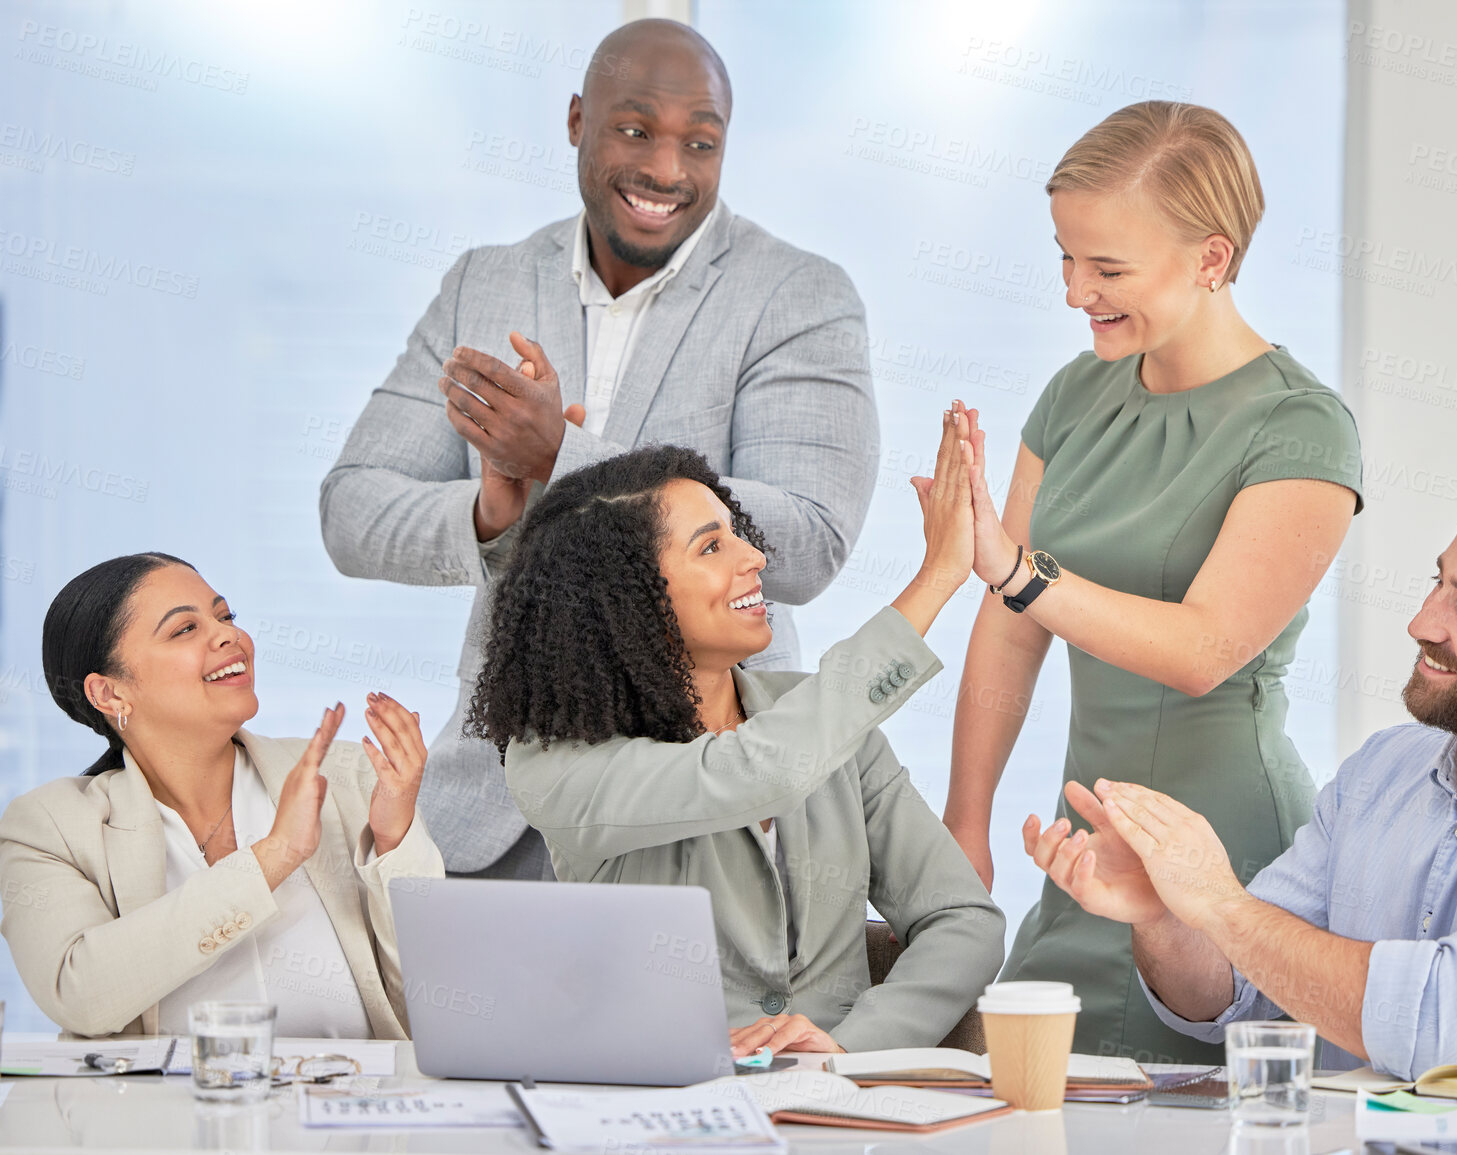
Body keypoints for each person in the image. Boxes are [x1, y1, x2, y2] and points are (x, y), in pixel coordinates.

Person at [319, 18, 877, 881]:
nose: (665, 169)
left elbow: (804, 544)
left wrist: (560, 458)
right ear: (576, 119)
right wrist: (491, 511)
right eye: (634, 129)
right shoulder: (487, 280)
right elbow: (352, 508)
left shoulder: (797, 295)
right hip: (494, 807)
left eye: (701, 142)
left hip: (704, 800)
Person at [1023, 459, 1457, 1076]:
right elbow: (1239, 994)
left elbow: (1435, 1027)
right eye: (1437, 583)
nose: (1420, 620)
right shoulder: (1384, 769)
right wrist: (1167, 915)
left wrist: (1218, 903)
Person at [942, 101, 1362, 1060]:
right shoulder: (1074, 396)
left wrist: (1016, 569)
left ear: (1211, 259)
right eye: (1064, 256)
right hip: (1083, 843)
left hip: (1224, 846)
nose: (1073, 290)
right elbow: (1011, 623)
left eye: (1107, 268)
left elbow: (1202, 651)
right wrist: (964, 815)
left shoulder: (1300, 430)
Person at [471, 406, 1003, 1055]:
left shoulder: (825, 716)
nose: (754, 556)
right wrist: (938, 576)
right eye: (712, 545)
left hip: (840, 1110)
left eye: (736, 533)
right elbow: (757, 772)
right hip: (661, 1104)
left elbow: (963, 919)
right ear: (628, 594)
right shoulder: (554, 762)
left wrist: (854, 1049)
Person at [0, 553, 442, 1039]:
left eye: (225, 616)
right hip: (158, 1115)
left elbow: (439, 993)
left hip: (350, 1105)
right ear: (109, 694)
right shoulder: (49, 826)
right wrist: (275, 854)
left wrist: (392, 838)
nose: (229, 634)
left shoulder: (349, 775)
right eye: (184, 629)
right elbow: (81, 997)